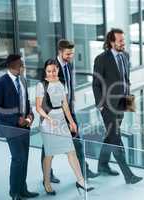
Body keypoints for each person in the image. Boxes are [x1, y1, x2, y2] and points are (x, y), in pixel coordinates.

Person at [40, 40, 99, 183]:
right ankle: (47, 175)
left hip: (68, 111)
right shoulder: (51, 67)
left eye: (72, 53)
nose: (71, 56)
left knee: (77, 141)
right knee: (48, 146)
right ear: (60, 52)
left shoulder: (69, 65)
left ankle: (84, 171)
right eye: (68, 54)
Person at [36, 59, 94, 195]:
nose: (51, 73)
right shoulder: (41, 85)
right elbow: (38, 107)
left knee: (71, 151)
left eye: (54, 70)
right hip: (48, 122)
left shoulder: (62, 83)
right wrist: (48, 118)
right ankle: (47, 182)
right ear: (45, 71)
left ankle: (80, 180)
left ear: (57, 69)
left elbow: (65, 105)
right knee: (49, 154)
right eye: (49, 71)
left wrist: (71, 122)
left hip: (61, 120)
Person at [92, 28, 143, 184]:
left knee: (110, 135)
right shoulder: (101, 59)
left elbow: (126, 79)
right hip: (107, 105)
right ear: (111, 42)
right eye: (120, 40)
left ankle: (102, 165)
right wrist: (100, 105)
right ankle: (128, 174)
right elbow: (96, 84)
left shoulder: (125, 56)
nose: (123, 43)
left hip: (123, 102)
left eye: (123, 40)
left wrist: (129, 102)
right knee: (116, 138)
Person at [0, 54, 39, 200]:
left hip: (25, 126)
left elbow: (26, 101)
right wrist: (15, 120)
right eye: (21, 64)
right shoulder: (0, 83)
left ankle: (22, 189)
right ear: (12, 66)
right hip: (10, 127)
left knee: (24, 158)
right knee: (18, 158)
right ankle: (14, 193)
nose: (23, 67)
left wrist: (30, 115)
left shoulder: (23, 80)